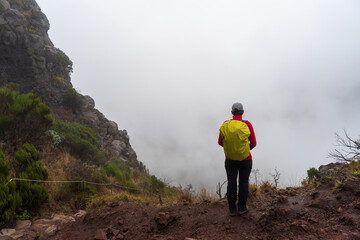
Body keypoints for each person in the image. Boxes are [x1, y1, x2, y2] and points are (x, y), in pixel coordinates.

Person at [218, 102, 257, 216]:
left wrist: (232, 149)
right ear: (243, 112)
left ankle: (231, 209)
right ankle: (242, 208)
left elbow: (220, 142)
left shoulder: (225, 124)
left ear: (231, 112)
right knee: (243, 183)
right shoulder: (247, 124)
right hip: (245, 159)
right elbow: (253, 143)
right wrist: (243, 150)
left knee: (231, 183)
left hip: (230, 160)